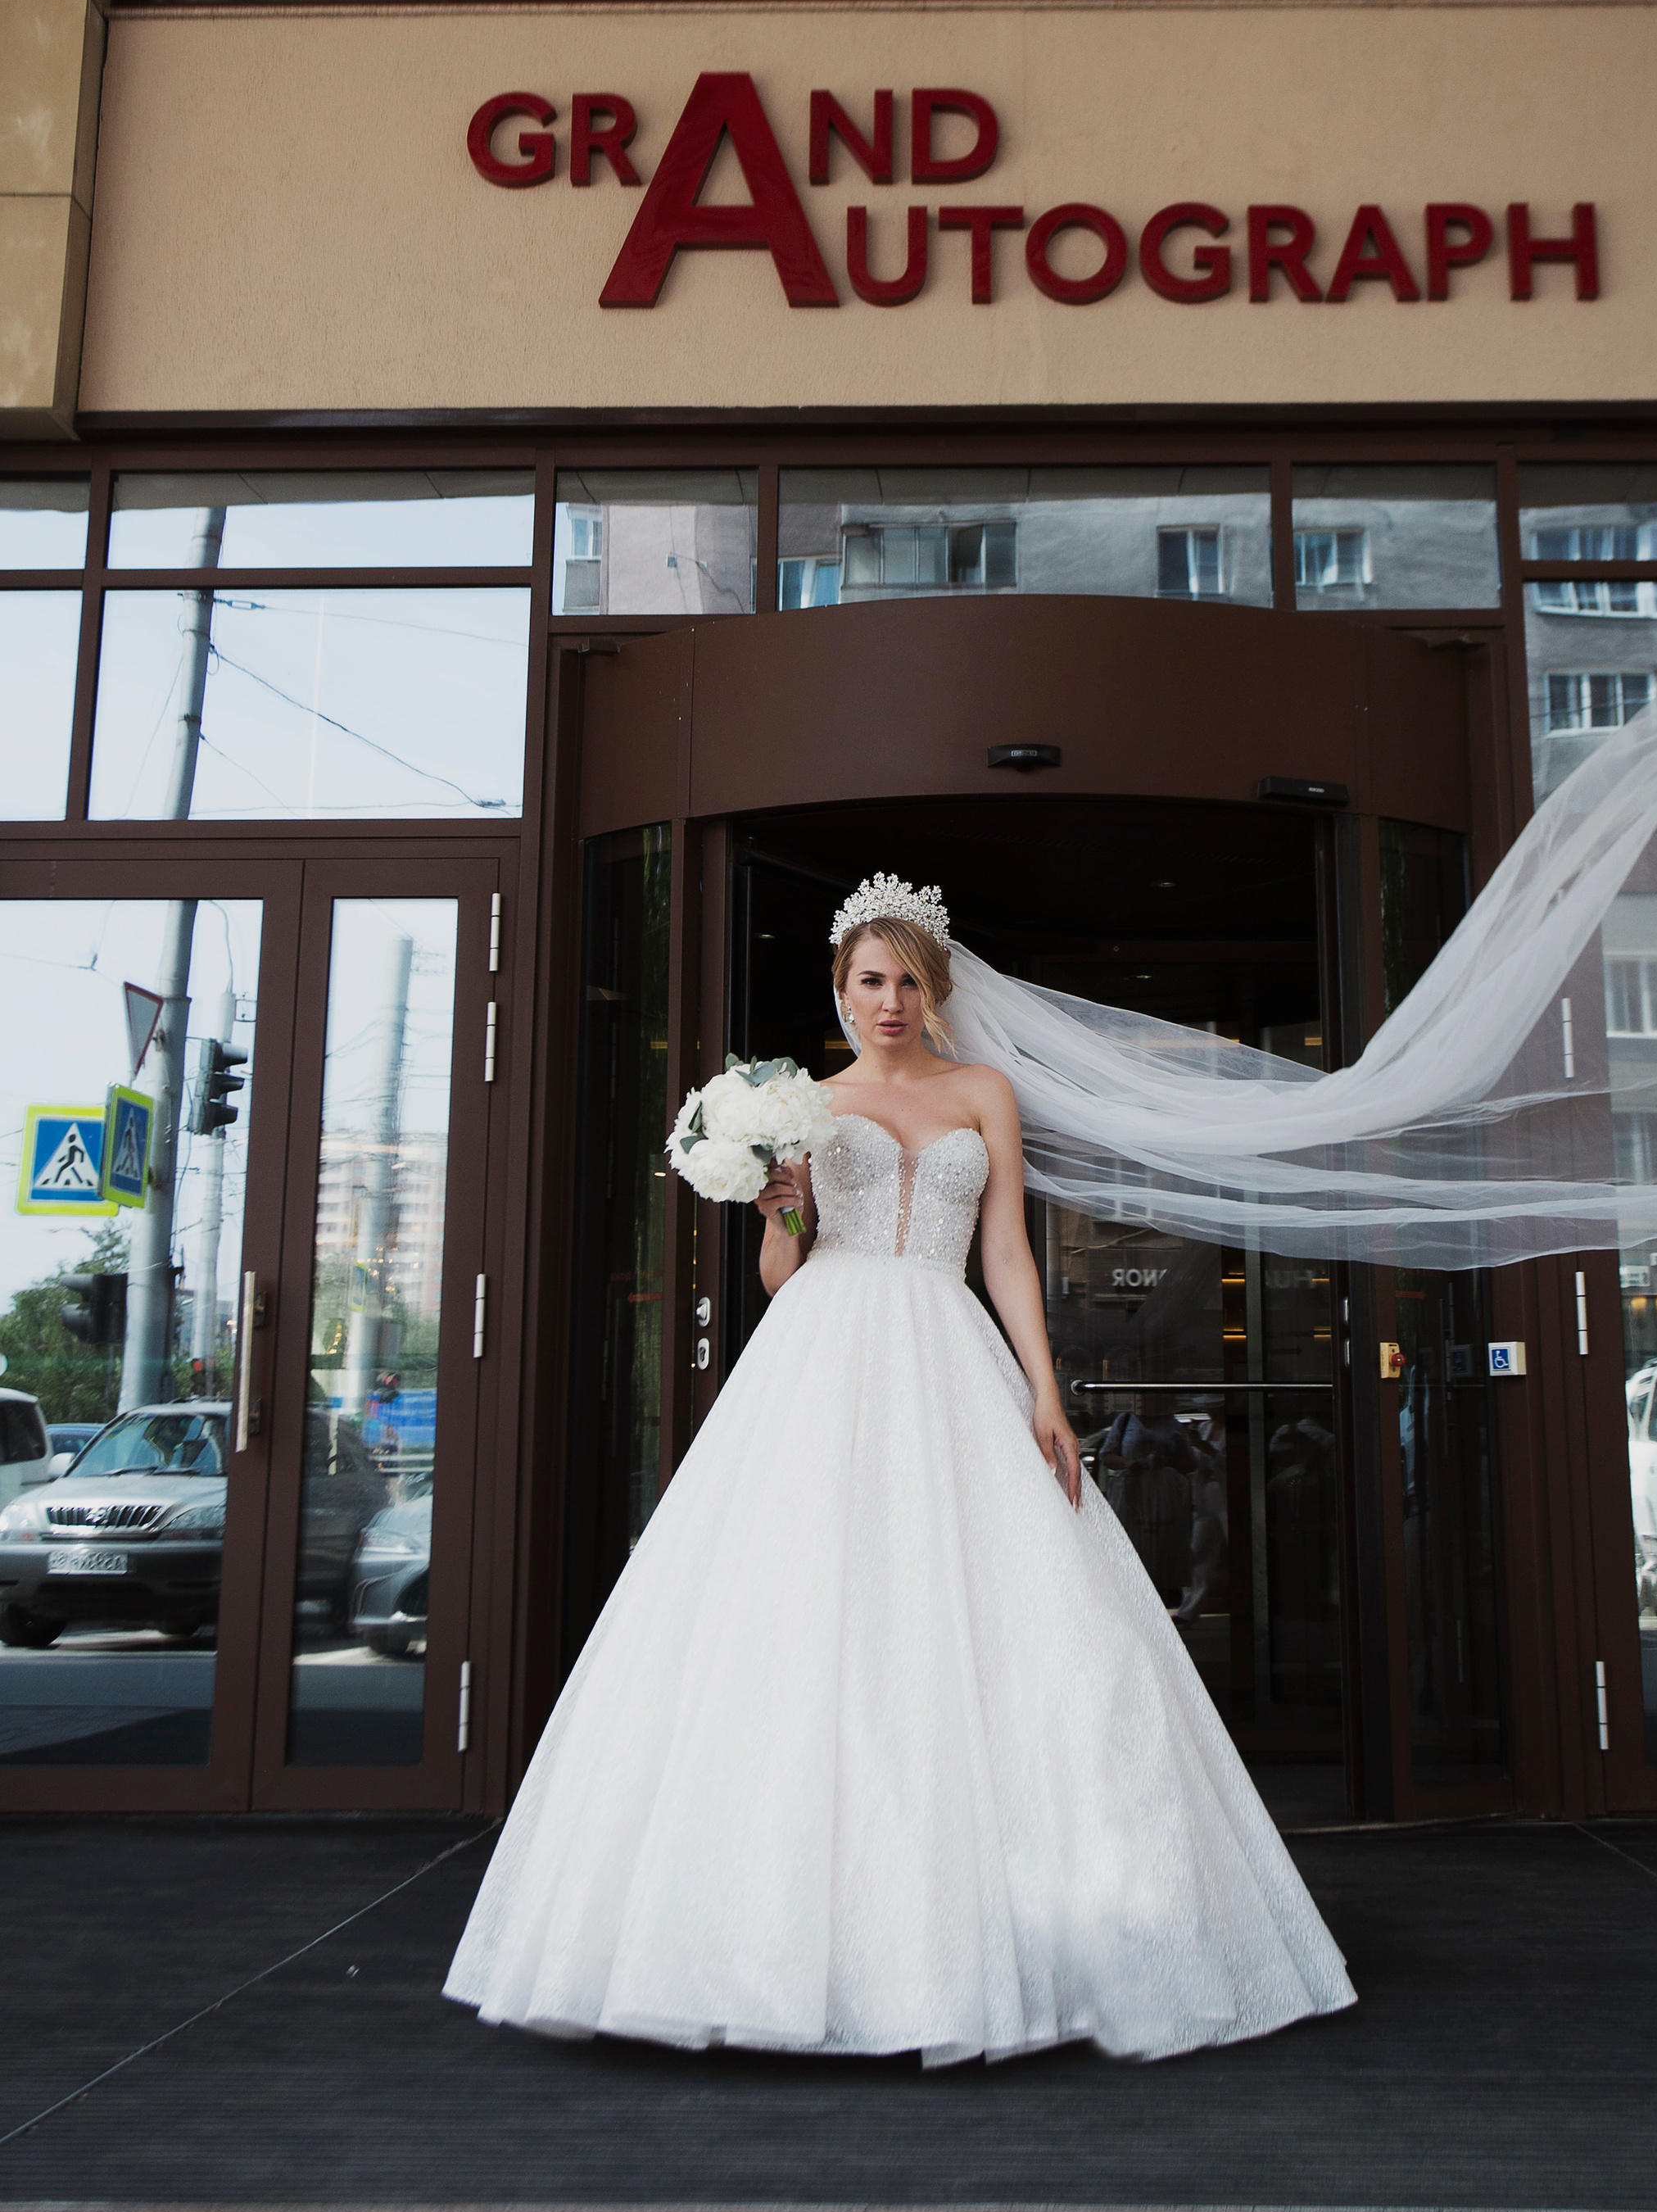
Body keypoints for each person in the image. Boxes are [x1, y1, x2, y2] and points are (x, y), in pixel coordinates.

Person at [444, 875, 1356, 2065]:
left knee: (1015, 1620)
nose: (890, 1001)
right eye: (870, 980)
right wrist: (778, 1209)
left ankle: (1044, 1931)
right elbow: (784, 1275)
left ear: (937, 991)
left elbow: (1007, 1253)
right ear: (842, 989)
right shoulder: (805, 1106)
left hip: (950, 1348)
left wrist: (1045, 1393)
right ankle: (770, 1948)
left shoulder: (984, 1092)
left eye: (909, 981)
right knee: (807, 1618)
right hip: (824, 1359)